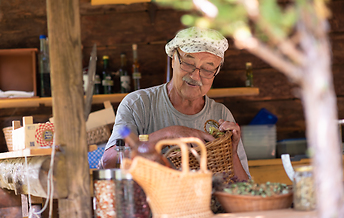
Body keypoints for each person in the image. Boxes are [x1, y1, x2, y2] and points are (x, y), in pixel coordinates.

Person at [99, 26, 250, 180]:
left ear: (216, 72)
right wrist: (168, 133)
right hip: (149, 203)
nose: (196, 76)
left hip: (205, 204)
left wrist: (230, 153)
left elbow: (246, 189)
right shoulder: (138, 104)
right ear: (173, 60)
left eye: (207, 69)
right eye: (188, 64)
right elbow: (109, 161)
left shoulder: (221, 115)